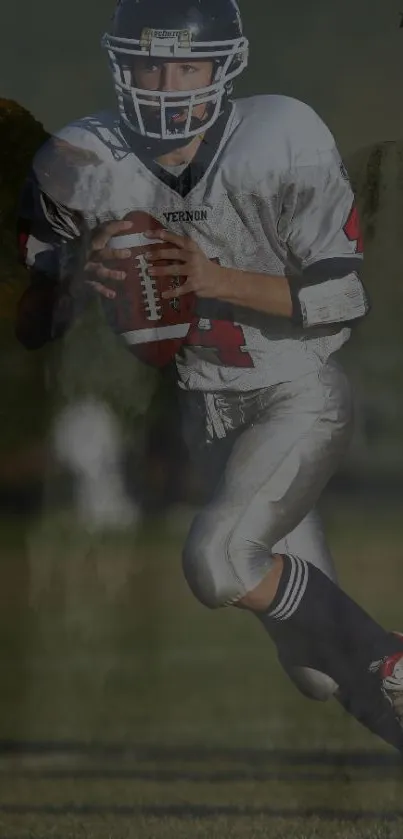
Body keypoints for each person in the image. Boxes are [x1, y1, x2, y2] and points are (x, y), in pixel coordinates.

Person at [15, 0, 403, 749]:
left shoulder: (278, 135)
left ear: (223, 66)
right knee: (318, 671)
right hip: (208, 417)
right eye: (149, 63)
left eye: (186, 64)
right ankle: (378, 666)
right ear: (119, 64)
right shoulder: (81, 162)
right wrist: (74, 286)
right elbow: (34, 326)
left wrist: (208, 276)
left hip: (293, 393)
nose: (165, 83)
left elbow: (340, 294)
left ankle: (389, 656)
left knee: (217, 560)